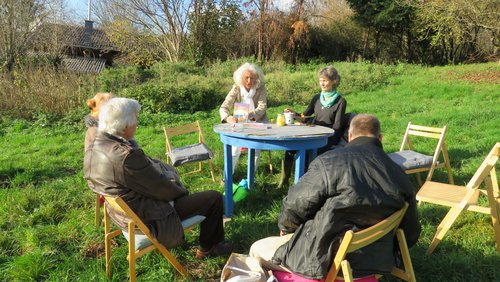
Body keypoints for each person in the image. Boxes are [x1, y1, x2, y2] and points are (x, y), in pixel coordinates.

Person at [249, 114, 421, 280]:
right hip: (377, 261)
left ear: (350, 136)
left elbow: (297, 203)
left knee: (256, 249)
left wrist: (287, 227)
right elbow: (410, 233)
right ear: (380, 137)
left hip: (325, 260)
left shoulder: (329, 161)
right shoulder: (399, 172)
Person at [84, 98, 231, 258]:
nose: (137, 123)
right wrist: (182, 190)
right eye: (135, 119)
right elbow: (163, 189)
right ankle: (208, 248)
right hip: (149, 217)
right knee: (214, 198)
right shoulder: (127, 157)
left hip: (122, 215)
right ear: (125, 126)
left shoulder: (96, 143)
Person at [279, 66, 347, 188]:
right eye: (321, 80)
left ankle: (304, 183)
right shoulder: (317, 98)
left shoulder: (340, 101)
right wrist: (294, 114)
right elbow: (305, 116)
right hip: (312, 133)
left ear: (334, 81)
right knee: (290, 148)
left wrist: (319, 130)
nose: (322, 83)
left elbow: (337, 127)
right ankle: (284, 182)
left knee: (306, 149)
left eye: (325, 80)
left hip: (328, 137)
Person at [219, 62, 268, 173]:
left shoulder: (260, 88)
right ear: (241, 78)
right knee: (234, 149)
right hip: (239, 123)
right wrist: (227, 118)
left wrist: (250, 114)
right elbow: (224, 107)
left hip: (257, 122)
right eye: (246, 78)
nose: (249, 81)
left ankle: (250, 178)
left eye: (252, 78)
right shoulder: (236, 88)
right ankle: (227, 176)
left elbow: (262, 107)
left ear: (256, 78)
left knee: (255, 149)